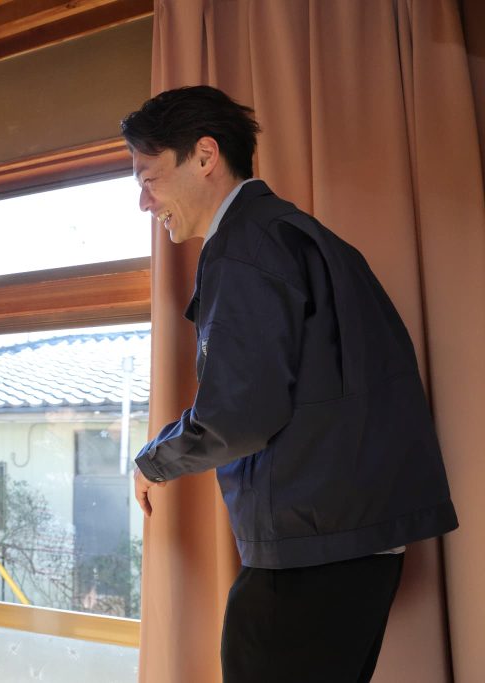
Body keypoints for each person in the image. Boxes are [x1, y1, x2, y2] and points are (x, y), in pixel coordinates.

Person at [124, 86, 457, 682]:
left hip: (310, 549)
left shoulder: (243, 250)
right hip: (361, 541)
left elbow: (237, 415)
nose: (144, 203)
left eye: (149, 179)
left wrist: (155, 460)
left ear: (205, 156)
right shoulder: (301, 235)